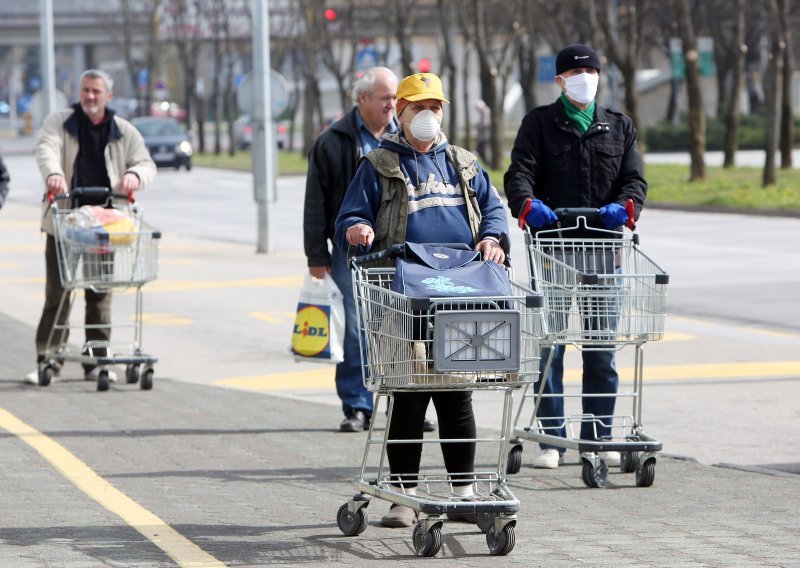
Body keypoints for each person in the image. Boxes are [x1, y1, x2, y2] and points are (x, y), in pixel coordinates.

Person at [335, 72, 509, 527]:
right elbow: (351, 213)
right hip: (403, 294)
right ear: (402, 113)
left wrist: (493, 237)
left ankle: (465, 494)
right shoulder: (379, 163)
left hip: (460, 294)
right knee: (409, 396)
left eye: (435, 108)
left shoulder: (463, 163)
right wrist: (358, 227)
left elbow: (492, 207)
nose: (428, 116)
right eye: (418, 108)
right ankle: (403, 498)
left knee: (456, 396)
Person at [504, 44, 647, 469]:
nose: (586, 76)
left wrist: (626, 206)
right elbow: (519, 174)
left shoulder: (618, 127)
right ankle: (551, 438)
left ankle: (598, 436)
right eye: (577, 71)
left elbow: (634, 179)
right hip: (554, 252)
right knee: (550, 348)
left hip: (605, 252)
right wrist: (528, 205)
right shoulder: (540, 124)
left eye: (591, 70)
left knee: (600, 350)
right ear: (561, 80)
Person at [25, 69, 156, 385]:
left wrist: (135, 176)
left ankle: (98, 361)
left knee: (99, 294)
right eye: (86, 90)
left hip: (105, 226)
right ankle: (48, 360)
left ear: (108, 96)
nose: (91, 97)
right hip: (66, 222)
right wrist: (54, 174)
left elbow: (145, 162)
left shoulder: (123, 131)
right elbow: (47, 148)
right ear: (79, 92)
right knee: (58, 294)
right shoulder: (61, 122)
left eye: (97, 91)